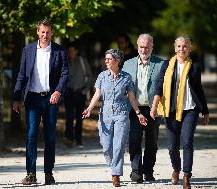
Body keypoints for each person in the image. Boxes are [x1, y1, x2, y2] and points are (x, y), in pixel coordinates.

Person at [12, 19, 69, 185]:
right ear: (37, 32)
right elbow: (22, 75)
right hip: (32, 98)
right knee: (31, 136)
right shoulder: (28, 50)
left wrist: (58, 91)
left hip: (51, 98)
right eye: (42, 31)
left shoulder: (59, 51)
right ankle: (31, 173)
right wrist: (16, 98)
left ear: (52, 33)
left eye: (48, 32)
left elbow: (65, 74)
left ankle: (48, 173)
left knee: (50, 136)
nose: (45, 35)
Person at [150, 36, 210, 189]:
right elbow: (159, 86)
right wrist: (154, 106)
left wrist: (205, 110)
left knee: (187, 142)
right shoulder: (166, 65)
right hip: (171, 110)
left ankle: (186, 176)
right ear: (175, 48)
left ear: (189, 49)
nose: (181, 49)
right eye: (179, 46)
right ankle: (176, 169)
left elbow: (198, 89)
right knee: (172, 147)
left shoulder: (195, 66)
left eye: (185, 46)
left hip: (190, 109)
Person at [82, 49, 147, 187]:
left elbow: (132, 97)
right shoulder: (102, 76)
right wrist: (89, 109)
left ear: (117, 61)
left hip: (121, 114)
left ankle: (116, 174)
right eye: (105, 59)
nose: (106, 61)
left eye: (109, 59)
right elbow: (97, 94)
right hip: (105, 114)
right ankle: (114, 167)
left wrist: (138, 113)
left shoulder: (126, 78)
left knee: (118, 145)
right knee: (106, 146)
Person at [122, 34, 164, 183]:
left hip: (154, 109)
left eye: (147, 47)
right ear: (137, 46)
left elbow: (165, 88)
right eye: (141, 46)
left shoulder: (161, 64)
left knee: (151, 143)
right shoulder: (128, 64)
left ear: (152, 46)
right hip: (135, 109)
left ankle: (148, 172)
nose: (144, 49)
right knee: (134, 140)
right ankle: (136, 172)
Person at [63, 42, 92, 148]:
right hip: (69, 92)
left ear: (76, 51)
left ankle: (79, 139)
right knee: (69, 116)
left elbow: (89, 76)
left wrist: (86, 89)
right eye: (69, 51)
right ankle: (69, 138)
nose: (70, 53)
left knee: (79, 117)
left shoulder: (82, 61)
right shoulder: (64, 62)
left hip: (80, 92)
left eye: (72, 51)